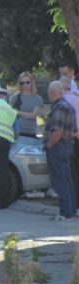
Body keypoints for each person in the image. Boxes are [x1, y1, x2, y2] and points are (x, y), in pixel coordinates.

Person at [43, 81, 78, 221]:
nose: (48, 95)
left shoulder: (59, 107)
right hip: (68, 146)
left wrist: (49, 145)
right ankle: (71, 210)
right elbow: (74, 130)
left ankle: (65, 213)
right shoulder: (68, 106)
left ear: (53, 93)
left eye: (48, 93)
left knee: (60, 181)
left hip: (58, 148)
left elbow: (57, 131)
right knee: (67, 180)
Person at [60, 77, 79, 205]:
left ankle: (70, 204)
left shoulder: (63, 101)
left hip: (67, 139)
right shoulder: (77, 98)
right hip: (77, 138)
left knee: (68, 174)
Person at [10, 72, 44, 138]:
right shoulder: (15, 97)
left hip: (30, 132)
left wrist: (18, 112)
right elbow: (9, 113)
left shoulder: (38, 98)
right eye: (22, 83)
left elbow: (34, 115)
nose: (25, 85)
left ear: (32, 82)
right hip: (15, 132)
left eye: (27, 82)